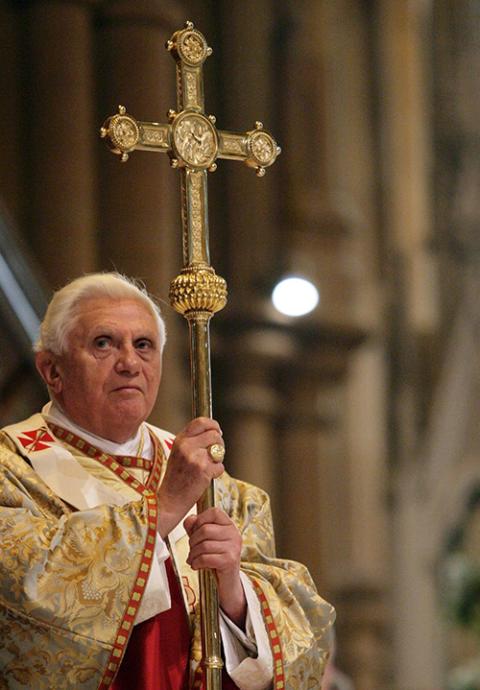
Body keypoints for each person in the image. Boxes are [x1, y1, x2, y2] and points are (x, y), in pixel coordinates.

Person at [0, 272, 334, 690]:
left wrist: (233, 590)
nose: (129, 362)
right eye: (103, 343)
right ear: (52, 370)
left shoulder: (210, 479)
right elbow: (24, 606)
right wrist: (164, 508)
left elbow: (305, 634)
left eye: (144, 346)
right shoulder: (12, 469)